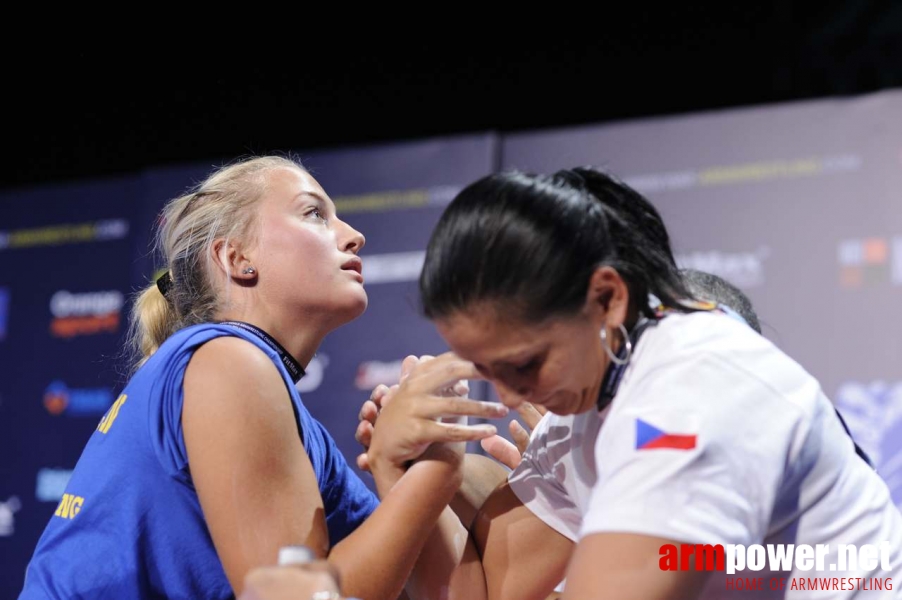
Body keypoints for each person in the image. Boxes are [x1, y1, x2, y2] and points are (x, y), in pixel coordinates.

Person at [374, 166, 902, 599]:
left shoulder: (694, 390)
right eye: (488, 372)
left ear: (608, 299)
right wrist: (415, 472)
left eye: (526, 363)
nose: (510, 396)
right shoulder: (576, 417)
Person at [19, 156, 507, 599]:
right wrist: (435, 475)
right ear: (236, 259)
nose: (354, 234)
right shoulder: (227, 360)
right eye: (315, 213)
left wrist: (411, 466)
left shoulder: (283, 414)